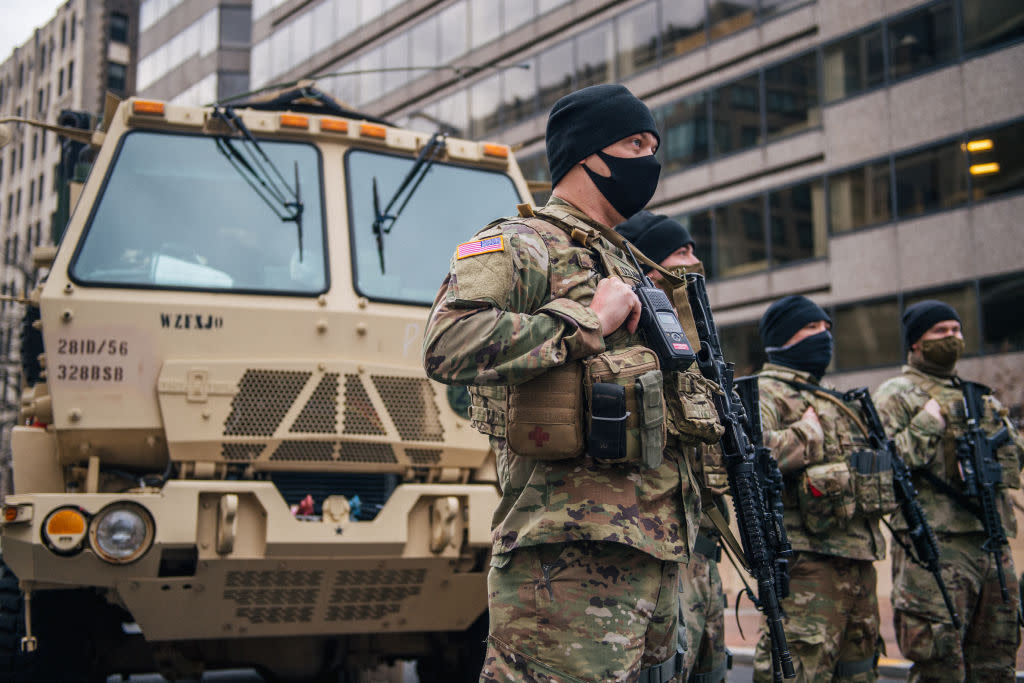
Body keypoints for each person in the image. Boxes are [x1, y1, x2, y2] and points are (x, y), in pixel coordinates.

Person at [423, 84, 697, 682]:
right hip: (565, 559)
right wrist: (583, 322)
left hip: (652, 554)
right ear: (586, 154)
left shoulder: (629, 264)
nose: (649, 159)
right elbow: (445, 344)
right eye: (634, 142)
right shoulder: (523, 244)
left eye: (653, 143)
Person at [874, 300, 1024, 682]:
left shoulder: (980, 397)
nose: (952, 338)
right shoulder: (896, 394)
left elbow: (1012, 460)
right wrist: (927, 424)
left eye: (956, 330)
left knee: (997, 661)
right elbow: (881, 466)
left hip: (991, 541)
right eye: (940, 332)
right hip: (936, 546)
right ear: (916, 343)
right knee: (939, 664)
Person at [616, 211, 730, 683]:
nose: (695, 261)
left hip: (703, 553)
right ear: (650, 266)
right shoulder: (632, 341)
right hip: (659, 555)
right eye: (682, 252)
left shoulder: (700, 351)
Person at [751, 296, 890, 683]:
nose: (824, 336)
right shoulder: (763, 391)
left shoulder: (835, 399)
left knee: (859, 671)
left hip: (860, 556)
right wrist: (807, 435)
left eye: (827, 328)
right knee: (800, 669)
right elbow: (751, 457)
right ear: (784, 336)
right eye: (813, 328)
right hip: (807, 563)